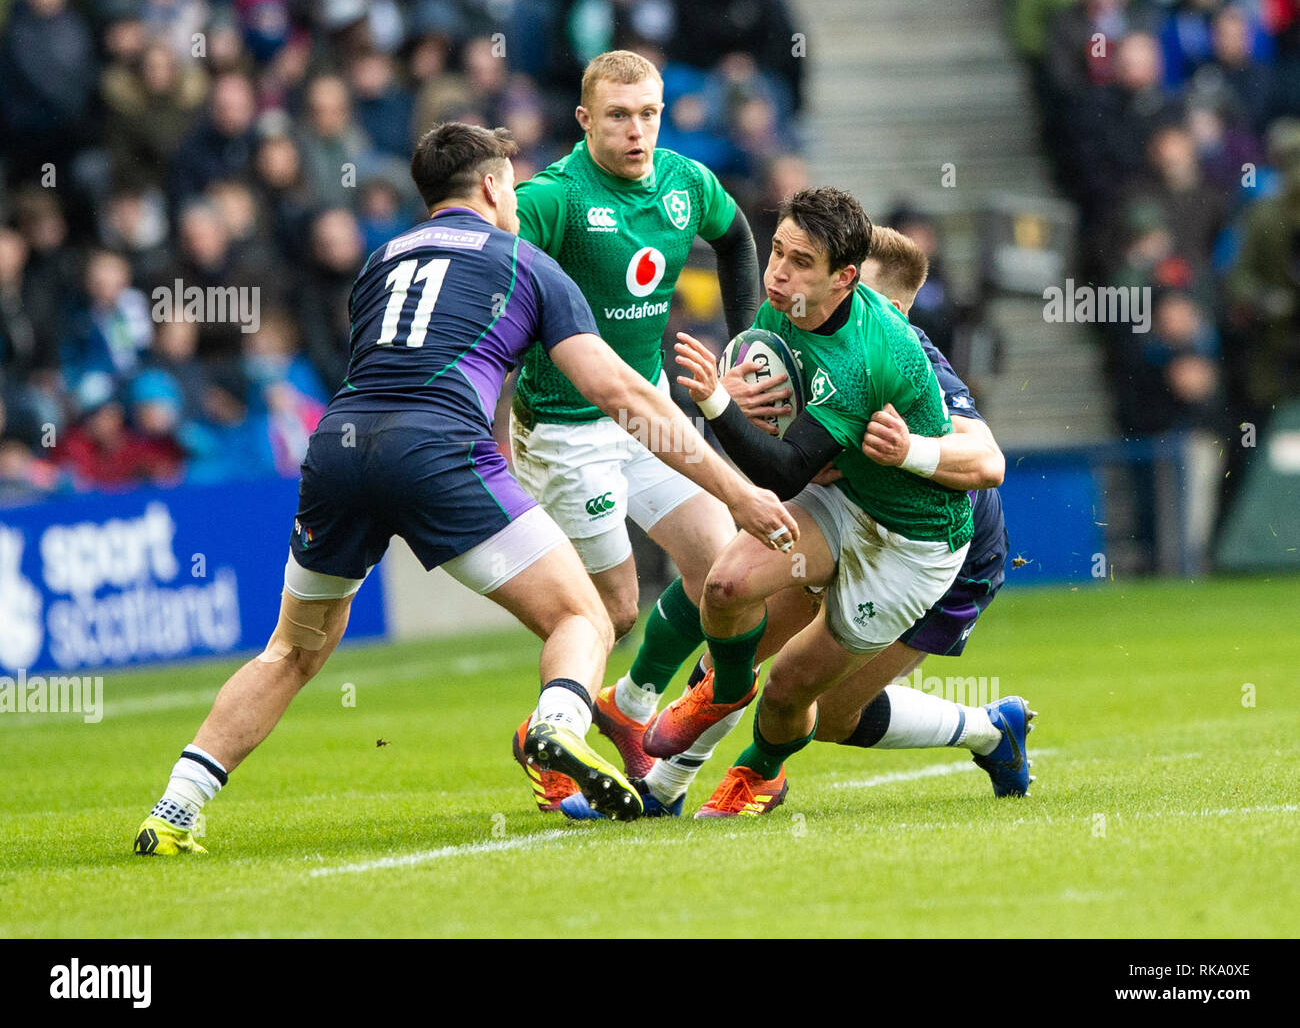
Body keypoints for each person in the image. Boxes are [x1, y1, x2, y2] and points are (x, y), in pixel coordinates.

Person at [132, 122, 797, 854]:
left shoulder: (382, 258)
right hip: (439, 448)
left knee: (290, 649)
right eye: (510, 181)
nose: (516, 195)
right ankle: (557, 728)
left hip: (339, 447)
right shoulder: (529, 266)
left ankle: (174, 808)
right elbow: (624, 395)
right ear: (490, 186)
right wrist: (737, 490)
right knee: (586, 616)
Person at [564, 227, 1034, 819]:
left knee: (832, 712)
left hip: (945, 554)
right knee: (739, 625)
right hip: (851, 514)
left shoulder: (907, 361)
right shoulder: (796, 334)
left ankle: (991, 731)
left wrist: (908, 449)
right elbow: (774, 458)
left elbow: (988, 460)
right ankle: (663, 788)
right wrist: (731, 403)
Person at [507, 50, 766, 808]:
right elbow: (497, 281)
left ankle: (631, 704)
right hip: (565, 431)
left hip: (645, 406)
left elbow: (739, 235)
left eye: (649, 112)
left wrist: (748, 342)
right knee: (608, 610)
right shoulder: (553, 198)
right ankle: (547, 743)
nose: (637, 129)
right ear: (585, 119)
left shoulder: (686, 183)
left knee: (718, 564)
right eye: (618, 115)